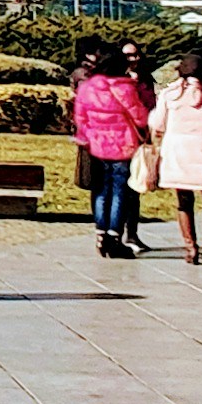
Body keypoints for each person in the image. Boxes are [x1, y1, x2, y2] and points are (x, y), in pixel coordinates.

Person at [144, 53, 202, 264]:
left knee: (184, 202)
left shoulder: (169, 95)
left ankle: (190, 248)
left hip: (177, 153)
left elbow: (157, 124)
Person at [70, 38, 152, 258]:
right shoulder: (125, 88)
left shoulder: (87, 88)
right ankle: (115, 236)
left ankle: (100, 233)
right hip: (122, 147)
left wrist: (89, 136)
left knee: (100, 191)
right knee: (119, 192)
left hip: (96, 146)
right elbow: (141, 117)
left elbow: (80, 118)